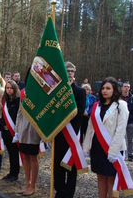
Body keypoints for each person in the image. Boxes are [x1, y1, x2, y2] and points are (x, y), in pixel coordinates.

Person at [83, 77, 129, 198]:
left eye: (108, 88)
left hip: (113, 149)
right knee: (101, 177)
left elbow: (121, 130)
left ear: (114, 90)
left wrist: (113, 151)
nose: (104, 91)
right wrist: (86, 148)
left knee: (112, 180)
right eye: (103, 88)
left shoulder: (121, 105)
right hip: (98, 148)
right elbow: (90, 128)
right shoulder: (96, 106)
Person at [53, 61, 86, 198]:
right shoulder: (55, 90)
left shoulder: (80, 91)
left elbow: (79, 113)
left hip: (72, 134)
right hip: (58, 134)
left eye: (72, 71)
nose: (70, 73)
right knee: (58, 167)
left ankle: (68, 194)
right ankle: (59, 192)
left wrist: (64, 112)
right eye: (67, 70)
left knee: (71, 168)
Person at [0, 80, 20, 182]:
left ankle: (15, 174)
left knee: (15, 153)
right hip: (5, 131)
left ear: (15, 89)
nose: (9, 90)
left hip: (14, 131)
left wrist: (18, 131)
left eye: (11, 88)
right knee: (10, 153)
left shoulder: (18, 101)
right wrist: (0, 129)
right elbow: (3, 116)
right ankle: (11, 172)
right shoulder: (5, 101)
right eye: (7, 88)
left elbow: (18, 117)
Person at [120, 81, 133, 162]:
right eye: (125, 86)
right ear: (122, 88)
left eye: (128, 86)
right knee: (120, 138)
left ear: (130, 88)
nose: (126, 88)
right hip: (120, 122)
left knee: (130, 139)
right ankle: (121, 154)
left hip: (130, 122)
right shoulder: (118, 98)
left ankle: (130, 155)